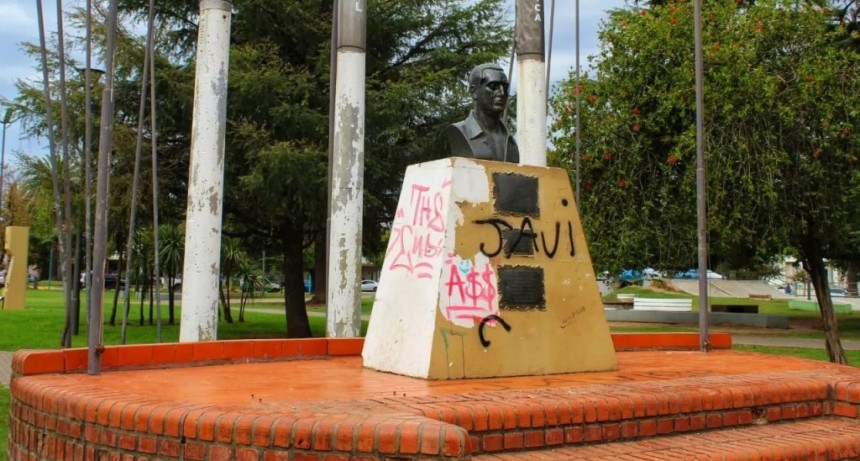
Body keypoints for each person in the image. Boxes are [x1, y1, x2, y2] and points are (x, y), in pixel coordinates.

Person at [448, 63, 520, 163]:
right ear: (474, 92)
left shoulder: (511, 141)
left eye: (505, 87)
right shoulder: (460, 131)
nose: (502, 93)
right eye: (493, 86)